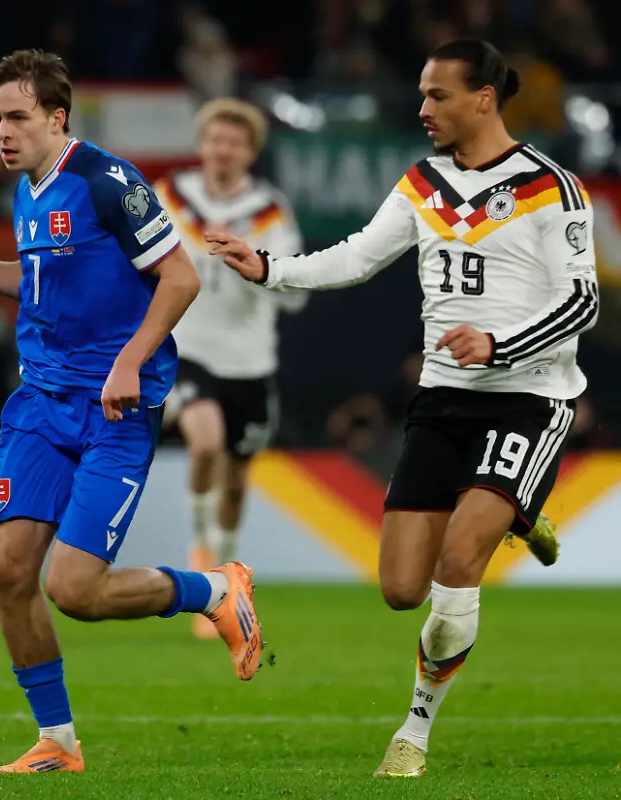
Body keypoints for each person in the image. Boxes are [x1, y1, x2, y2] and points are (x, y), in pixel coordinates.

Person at [209, 39, 596, 777]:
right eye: (420, 94)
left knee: (457, 569)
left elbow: (582, 299)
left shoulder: (552, 188)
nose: (422, 109)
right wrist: (270, 269)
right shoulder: (422, 183)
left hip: (528, 398)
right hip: (444, 400)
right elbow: (356, 254)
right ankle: (521, 512)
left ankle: (413, 731)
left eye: (438, 96)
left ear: (484, 96)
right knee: (399, 589)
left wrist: (500, 342)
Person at [0, 49, 268, 775]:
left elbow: (178, 277)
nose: (2, 133)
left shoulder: (107, 180)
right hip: (40, 402)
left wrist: (129, 360)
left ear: (56, 117)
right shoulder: (28, 190)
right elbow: (41, 278)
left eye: (16, 117)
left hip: (115, 407)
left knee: (73, 590)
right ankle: (58, 742)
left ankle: (214, 589)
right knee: (10, 571)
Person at [153, 99, 306, 639]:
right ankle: (200, 559)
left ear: (250, 151)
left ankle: (226, 576)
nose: (222, 150)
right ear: (202, 144)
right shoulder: (171, 197)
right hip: (188, 347)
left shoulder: (268, 211)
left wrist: (250, 264)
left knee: (238, 480)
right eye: (214, 139)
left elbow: (292, 293)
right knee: (205, 443)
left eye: (233, 142)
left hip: (250, 360)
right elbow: (139, 258)